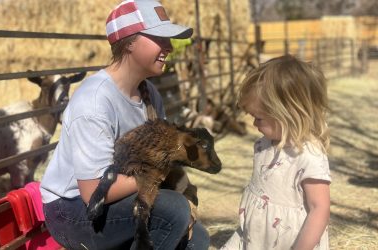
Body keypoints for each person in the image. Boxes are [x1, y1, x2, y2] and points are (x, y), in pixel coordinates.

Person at [40, 0, 210, 249]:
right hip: (72, 209)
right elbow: (94, 192)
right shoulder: (94, 102)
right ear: (129, 42)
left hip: (119, 196)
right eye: (160, 39)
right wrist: (161, 171)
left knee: (198, 239)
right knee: (173, 211)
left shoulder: (149, 94)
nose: (170, 47)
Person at [221, 55, 331, 250]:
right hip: (254, 236)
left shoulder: (308, 156)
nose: (254, 124)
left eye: (259, 118)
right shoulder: (265, 144)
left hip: (288, 241)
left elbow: (319, 209)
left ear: (287, 114)